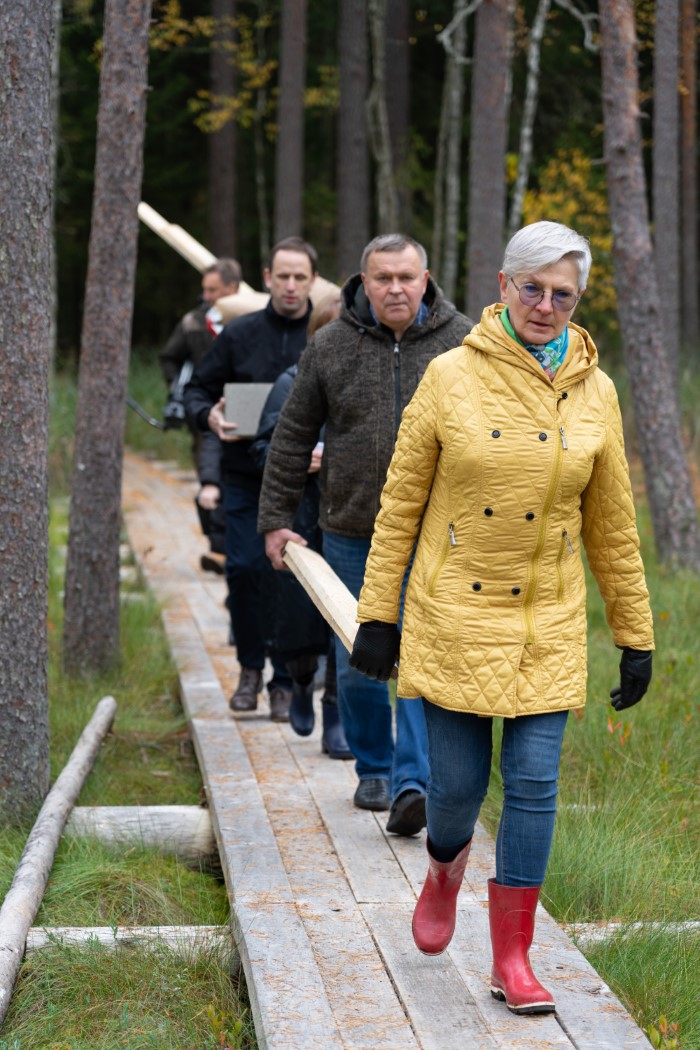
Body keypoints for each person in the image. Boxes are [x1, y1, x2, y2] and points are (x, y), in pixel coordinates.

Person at [349, 221, 654, 1014]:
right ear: (503, 285)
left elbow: (612, 525)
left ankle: (512, 958)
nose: (546, 306)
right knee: (454, 790)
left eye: (563, 295)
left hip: (547, 620)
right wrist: (378, 615)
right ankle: (444, 870)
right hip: (456, 613)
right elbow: (401, 504)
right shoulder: (450, 376)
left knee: (534, 783)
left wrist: (635, 636)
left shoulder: (597, 391)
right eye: (533, 289)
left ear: (578, 300)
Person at [258, 234, 473, 835]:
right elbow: (292, 435)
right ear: (363, 282)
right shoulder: (330, 345)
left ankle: (413, 783)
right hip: (353, 529)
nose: (396, 289)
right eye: (384, 278)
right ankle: (375, 767)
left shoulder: (464, 343)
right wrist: (275, 519)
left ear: (426, 279)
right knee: (359, 659)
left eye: (407, 277)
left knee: (425, 657)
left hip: (439, 532)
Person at [184, 237, 318, 722]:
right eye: (282, 276)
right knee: (243, 569)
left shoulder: (325, 336)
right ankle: (249, 669)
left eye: (299, 277)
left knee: (286, 576)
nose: (290, 285)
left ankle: (284, 681)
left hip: (301, 484)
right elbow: (196, 390)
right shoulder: (239, 334)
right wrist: (210, 417)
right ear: (266, 278)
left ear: (313, 281)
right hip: (243, 476)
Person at [250, 292, 351, 758]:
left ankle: (336, 712)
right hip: (300, 520)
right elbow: (261, 450)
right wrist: (299, 459)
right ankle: (302, 679)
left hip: (350, 520)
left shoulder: (365, 384)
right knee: (299, 620)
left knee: (345, 623)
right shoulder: (290, 382)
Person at [159, 258, 242, 571]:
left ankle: (229, 549)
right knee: (209, 483)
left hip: (242, 414)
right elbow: (169, 357)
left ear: (232, 288)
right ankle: (217, 547)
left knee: (235, 482)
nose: (206, 296)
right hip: (203, 417)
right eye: (204, 289)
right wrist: (183, 394)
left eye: (213, 290)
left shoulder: (252, 318)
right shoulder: (193, 322)